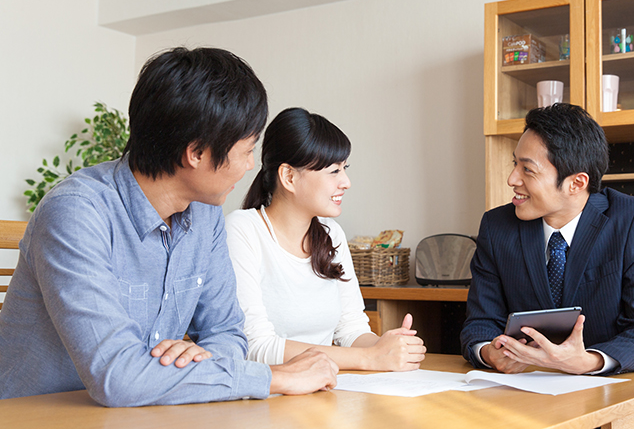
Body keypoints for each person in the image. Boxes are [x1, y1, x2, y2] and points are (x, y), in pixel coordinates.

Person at [0, 47, 338, 406]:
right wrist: (276, 377)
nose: (251, 164)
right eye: (246, 149)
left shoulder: (205, 214)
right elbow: (118, 378)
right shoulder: (76, 214)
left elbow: (226, 333)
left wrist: (191, 366)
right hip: (34, 415)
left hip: (146, 414)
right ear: (196, 153)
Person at [460, 103, 634, 376]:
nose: (512, 179)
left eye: (528, 170)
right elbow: (480, 323)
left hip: (612, 399)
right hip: (524, 395)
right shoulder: (497, 226)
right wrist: (489, 352)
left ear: (576, 183)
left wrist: (587, 361)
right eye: (515, 164)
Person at [225, 107, 426, 371]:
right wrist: (369, 358)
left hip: (323, 389)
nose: (346, 182)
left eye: (345, 168)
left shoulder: (331, 234)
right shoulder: (242, 230)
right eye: (333, 171)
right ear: (288, 176)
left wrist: (385, 347)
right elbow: (255, 347)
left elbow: (351, 329)